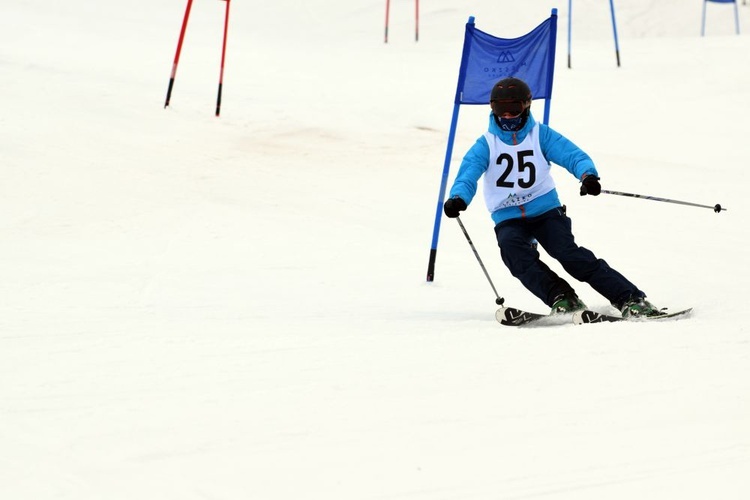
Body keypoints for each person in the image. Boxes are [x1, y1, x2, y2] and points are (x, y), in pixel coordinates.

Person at [443, 76, 659, 318]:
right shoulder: (486, 144)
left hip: (544, 209)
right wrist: (458, 198)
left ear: (526, 107)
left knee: (567, 253)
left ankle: (630, 298)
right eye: (499, 110)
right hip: (507, 215)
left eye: (512, 110)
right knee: (514, 254)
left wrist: (588, 176)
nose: (506, 117)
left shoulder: (540, 135)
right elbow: (468, 173)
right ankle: (562, 297)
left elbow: (571, 155)